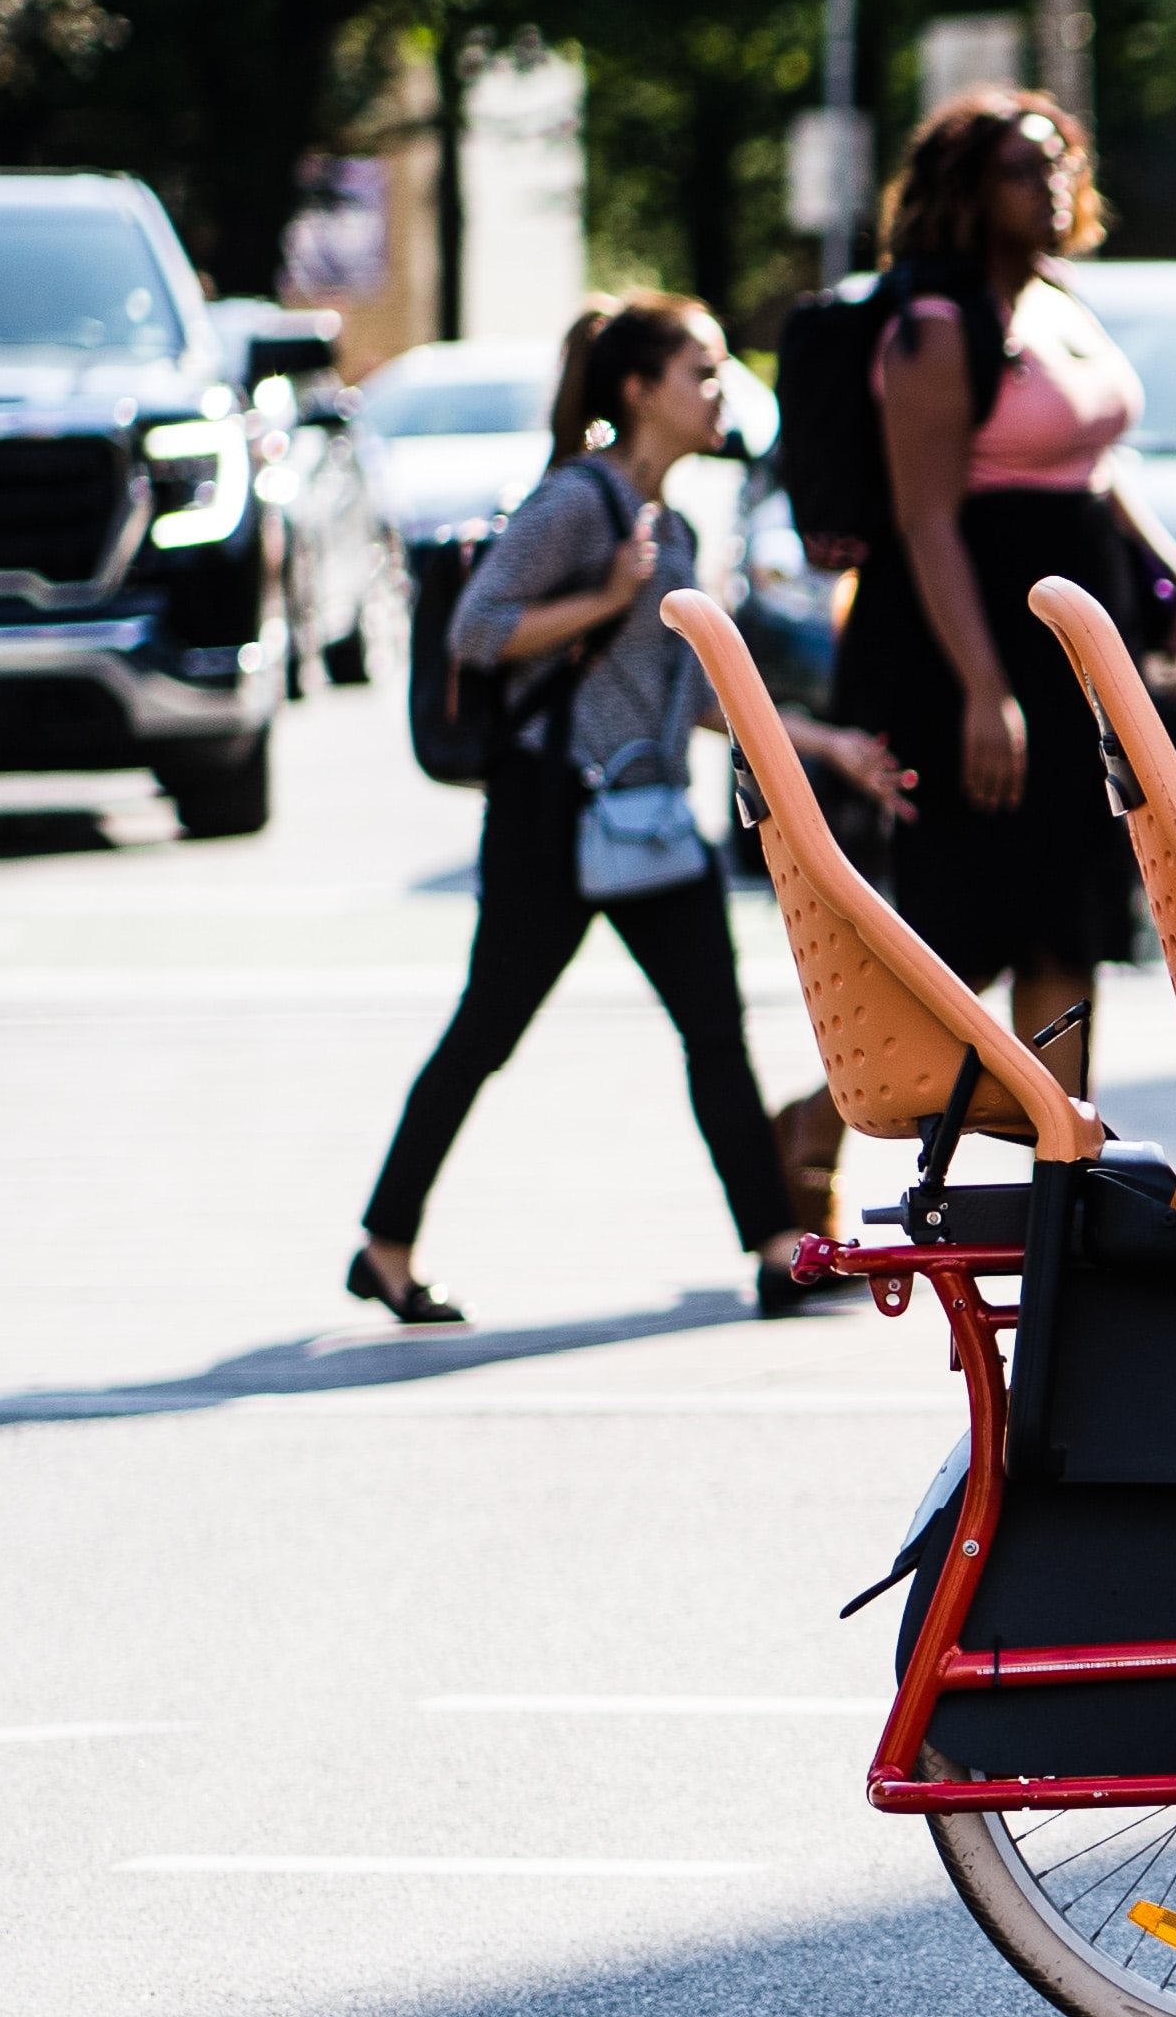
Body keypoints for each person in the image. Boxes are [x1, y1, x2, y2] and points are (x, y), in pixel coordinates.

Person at [355, 301, 910, 1328]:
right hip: (550, 814)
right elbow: (479, 632)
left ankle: (779, 1250)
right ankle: (385, 1244)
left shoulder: (683, 526)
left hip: (649, 814)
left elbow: (687, 689)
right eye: (700, 372)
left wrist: (824, 747)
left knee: (715, 1031)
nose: (718, 393)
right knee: (487, 1029)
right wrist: (608, 596)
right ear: (639, 390)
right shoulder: (575, 503)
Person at [828, 91, 1176, 1095]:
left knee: (1070, 919)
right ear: (965, 191)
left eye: (1059, 164)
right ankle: (831, 1116)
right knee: (965, 937)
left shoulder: (1058, 298)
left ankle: (1061, 1171)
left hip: (1079, 662)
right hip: (972, 650)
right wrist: (983, 688)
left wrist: (1175, 570)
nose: (1050, 186)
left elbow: (1094, 458)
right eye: (1020, 169)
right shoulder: (934, 326)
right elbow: (926, 521)